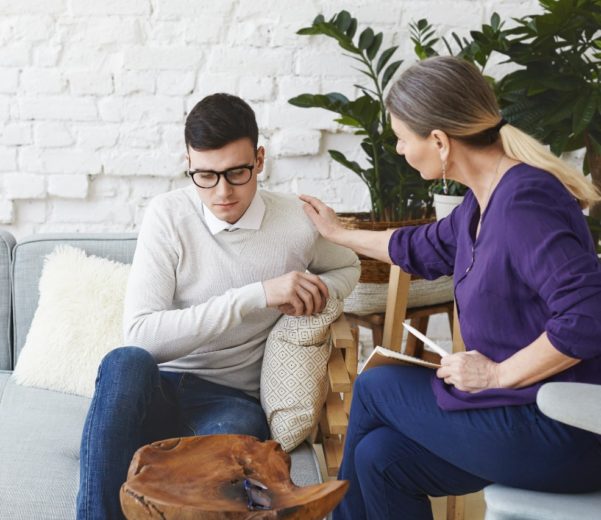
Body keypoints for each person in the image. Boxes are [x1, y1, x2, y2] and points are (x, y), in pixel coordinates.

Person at [300, 56, 601, 520]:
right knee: (380, 457)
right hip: (519, 417)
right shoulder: (481, 202)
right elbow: (417, 246)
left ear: (439, 141)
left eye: (402, 138)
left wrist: (497, 375)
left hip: (565, 429)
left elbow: (588, 319)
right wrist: (340, 232)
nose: (399, 149)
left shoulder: (525, 202)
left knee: (378, 385)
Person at [76, 93, 360, 520]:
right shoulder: (167, 216)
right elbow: (142, 337)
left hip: (230, 399)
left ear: (259, 160)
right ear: (188, 164)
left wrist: (313, 288)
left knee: (232, 471)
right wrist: (256, 295)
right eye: (204, 176)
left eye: (237, 173)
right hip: (156, 386)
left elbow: (349, 266)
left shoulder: (296, 221)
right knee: (124, 361)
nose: (222, 192)